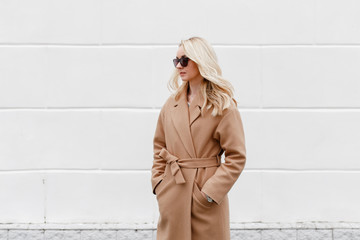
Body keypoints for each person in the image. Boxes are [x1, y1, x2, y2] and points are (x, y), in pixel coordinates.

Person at [151, 36, 246, 240]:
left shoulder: (222, 105)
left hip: (205, 195)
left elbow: (236, 157)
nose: (179, 66)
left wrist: (209, 193)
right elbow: (159, 146)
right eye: (176, 61)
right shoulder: (171, 103)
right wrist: (159, 184)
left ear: (200, 60)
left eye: (184, 60)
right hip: (173, 192)